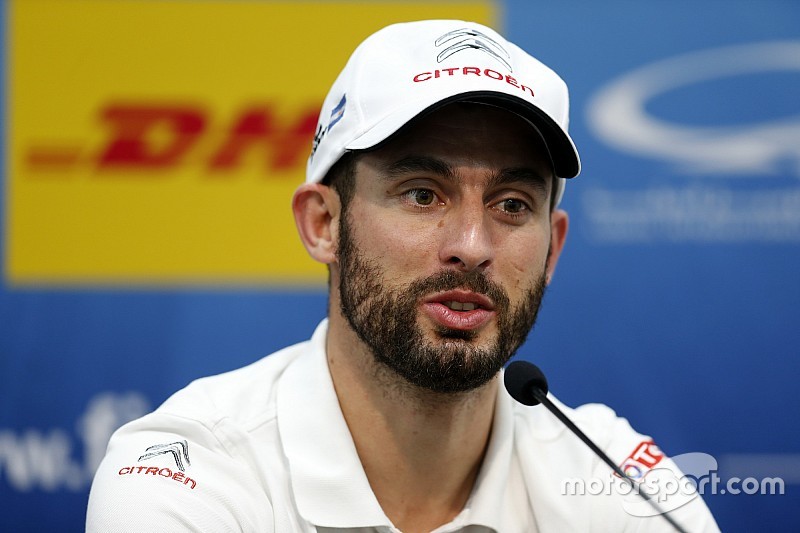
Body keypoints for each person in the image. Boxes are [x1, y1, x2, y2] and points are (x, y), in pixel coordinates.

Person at [87, 20, 719, 532]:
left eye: (512, 205)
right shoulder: (193, 473)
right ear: (322, 224)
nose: (471, 247)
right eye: (422, 194)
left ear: (551, 250)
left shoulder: (615, 480)